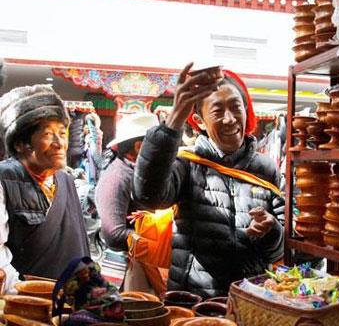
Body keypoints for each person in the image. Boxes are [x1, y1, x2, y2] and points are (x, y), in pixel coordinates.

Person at [133, 63, 284, 298]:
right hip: (194, 299)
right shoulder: (187, 164)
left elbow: (280, 250)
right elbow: (148, 196)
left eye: (236, 108)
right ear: (199, 121)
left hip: (252, 299)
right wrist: (173, 122)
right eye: (217, 111)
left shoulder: (266, 169)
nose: (230, 119)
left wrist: (272, 231)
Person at [0, 85, 90, 292]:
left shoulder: (65, 180)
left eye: (62, 133)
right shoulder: (4, 179)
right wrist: (31, 294)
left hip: (68, 301)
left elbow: (78, 248)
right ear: (21, 144)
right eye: (49, 134)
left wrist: (94, 294)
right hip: (23, 305)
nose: (60, 143)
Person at [95, 113, 165, 293]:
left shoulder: (136, 174)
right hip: (129, 271)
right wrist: (159, 244)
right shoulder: (117, 177)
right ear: (139, 147)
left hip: (143, 262)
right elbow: (114, 233)